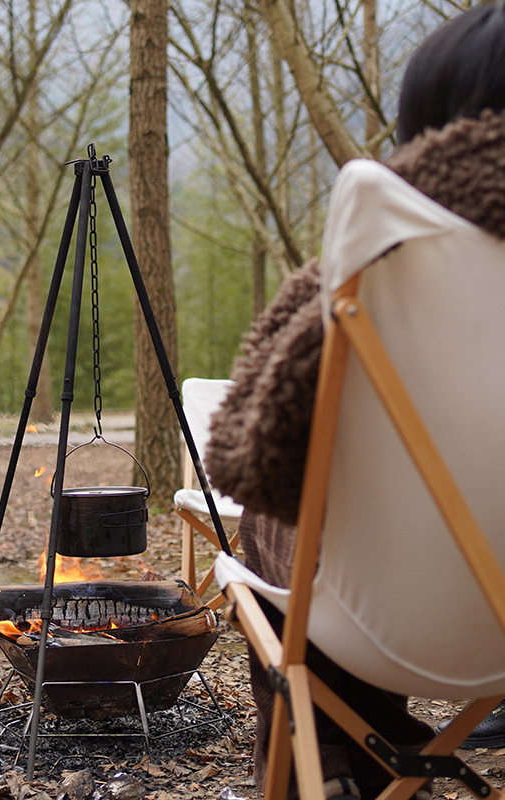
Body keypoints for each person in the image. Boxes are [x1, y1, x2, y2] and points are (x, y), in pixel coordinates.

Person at [205, 3, 505, 798]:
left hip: (382, 619)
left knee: (277, 515)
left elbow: (253, 449)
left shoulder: (388, 256)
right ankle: (373, 745)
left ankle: (330, 766)